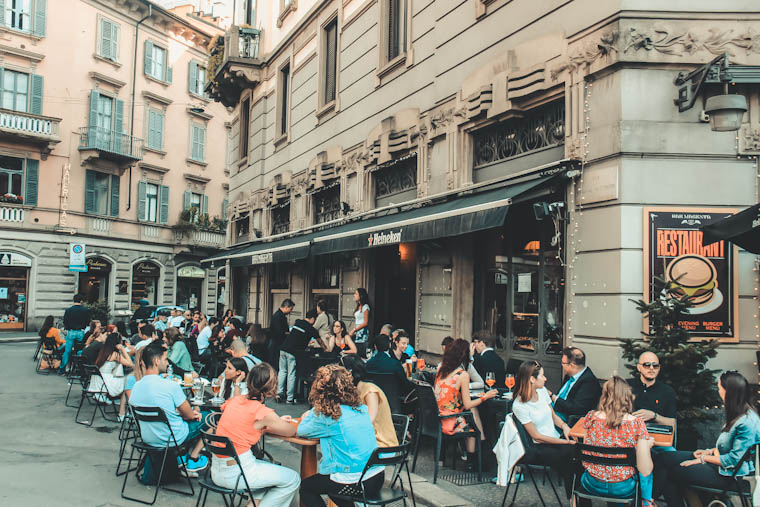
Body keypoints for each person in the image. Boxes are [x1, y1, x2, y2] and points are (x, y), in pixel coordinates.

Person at [656, 371, 760, 506]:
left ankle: (650, 500)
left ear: (728, 392)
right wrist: (708, 451)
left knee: (673, 472)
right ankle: (648, 498)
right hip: (722, 466)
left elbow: (734, 460)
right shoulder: (739, 413)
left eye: (719, 388)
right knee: (665, 457)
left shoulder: (747, 422)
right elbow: (731, 447)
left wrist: (702, 459)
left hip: (733, 477)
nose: (718, 392)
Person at [212, 363, 301, 507]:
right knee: (293, 478)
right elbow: (291, 431)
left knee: (267, 471)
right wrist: (276, 421)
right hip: (238, 473)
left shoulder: (234, 401)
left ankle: (254, 504)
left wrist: (273, 422)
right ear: (272, 388)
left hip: (217, 470)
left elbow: (243, 426)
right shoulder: (261, 412)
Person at [297, 364, 383, 507]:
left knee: (307, 488)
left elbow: (301, 430)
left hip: (353, 481)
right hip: (376, 476)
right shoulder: (361, 409)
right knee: (333, 487)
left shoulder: (329, 416)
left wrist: (313, 410)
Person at [128, 343, 209, 473]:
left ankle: (182, 457)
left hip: (148, 438)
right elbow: (189, 415)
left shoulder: (136, 387)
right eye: (165, 359)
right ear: (156, 361)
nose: (167, 363)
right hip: (172, 437)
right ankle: (193, 458)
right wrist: (194, 412)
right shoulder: (170, 386)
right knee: (210, 418)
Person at [578, 377, 655, 507]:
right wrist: (646, 446)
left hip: (592, 483)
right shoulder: (637, 424)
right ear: (628, 397)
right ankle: (646, 502)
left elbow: (588, 449)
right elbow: (645, 470)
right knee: (646, 472)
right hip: (622, 488)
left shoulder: (590, 417)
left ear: (604, 395)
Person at [512, 359, 576, 497]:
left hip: (554, 438)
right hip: (538, 447)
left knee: (579, 455)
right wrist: (566, 442)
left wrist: (565, 427)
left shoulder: (542, 392)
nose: (546, 379)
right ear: (532, 379)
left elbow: (554, 417)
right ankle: (575, 500)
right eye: (542, 375)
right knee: (573, 459)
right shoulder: (519, 405)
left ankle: (576, 500)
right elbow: (536, 436)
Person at [435, 338, 497, 469]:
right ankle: (474, 459)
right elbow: (468, 404)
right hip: (451, 421)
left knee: (473, 413)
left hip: (439, 417)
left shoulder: (441, 370)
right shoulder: (462, 374)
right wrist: (486, 396)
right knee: (473, 422)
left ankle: (477, 457)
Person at [341, 355, 399, 448]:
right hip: (366, 439)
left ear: (349, 374)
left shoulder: (370, 391)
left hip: (381, 444)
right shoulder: (354, 391)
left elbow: (369, 421)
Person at [628, 351, 677, 445]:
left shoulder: (667, 391)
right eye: (647, 365)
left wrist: (654, 416)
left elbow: (672, 422)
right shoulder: (627, 386)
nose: (651, 368)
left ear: (659, 368)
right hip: (629, 439)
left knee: (670, 453)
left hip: (657, 441)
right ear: (639, 367)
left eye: (655, 365)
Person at [549, 346, 602, 423]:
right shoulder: (569, 375)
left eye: (563, 363)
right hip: (555, 409)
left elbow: (576, 409)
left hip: (567, 418)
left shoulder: (589, 382)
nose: (561, 365)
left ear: (572, 365)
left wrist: (552, 396)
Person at [278, 309, 320, 404]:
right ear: (313, 319)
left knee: (282, 371)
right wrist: (326, 348)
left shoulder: (298, 322)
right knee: (291, 373)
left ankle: (279, 393)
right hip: (293, 352)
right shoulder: (311, 329)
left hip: (283, 348)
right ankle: (289, 398)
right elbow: (319, 340)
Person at [89, 332, 133, 420]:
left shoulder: (103, 350)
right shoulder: (115, 354)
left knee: (125, 379)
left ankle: (119, 405)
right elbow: (130, 364)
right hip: (106, 382)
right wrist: (123, 350)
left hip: (98, 382)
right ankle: (122, 413)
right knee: (129, 383)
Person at [60, 294, 91, 373]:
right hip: (80, 332)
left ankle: (62, 369)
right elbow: (87, 322)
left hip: (71, 332)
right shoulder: (85, 310)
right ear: (81, 301)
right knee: (81, 350)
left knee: (67, 351)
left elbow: (65, 322)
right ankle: (79, 368)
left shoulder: (68, 310)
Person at [269, 299, 294, 368]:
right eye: (291, 309)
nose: (291, 311)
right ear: (286, 307)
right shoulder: (278, 316)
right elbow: (279, 332)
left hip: (277, 343)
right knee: (276, 365)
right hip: (277, 344)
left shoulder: (279, 315)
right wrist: (289, 333)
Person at [349, 288, 370, 358]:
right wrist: (353, 330)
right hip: (357, 332)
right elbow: (357, 321)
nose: (354, 295)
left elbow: (365, 322)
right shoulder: (358, 307)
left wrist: (354, 330)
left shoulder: (365, 307)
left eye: (356, 294)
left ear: (361, 296)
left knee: (361, 351)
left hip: (362, 332)